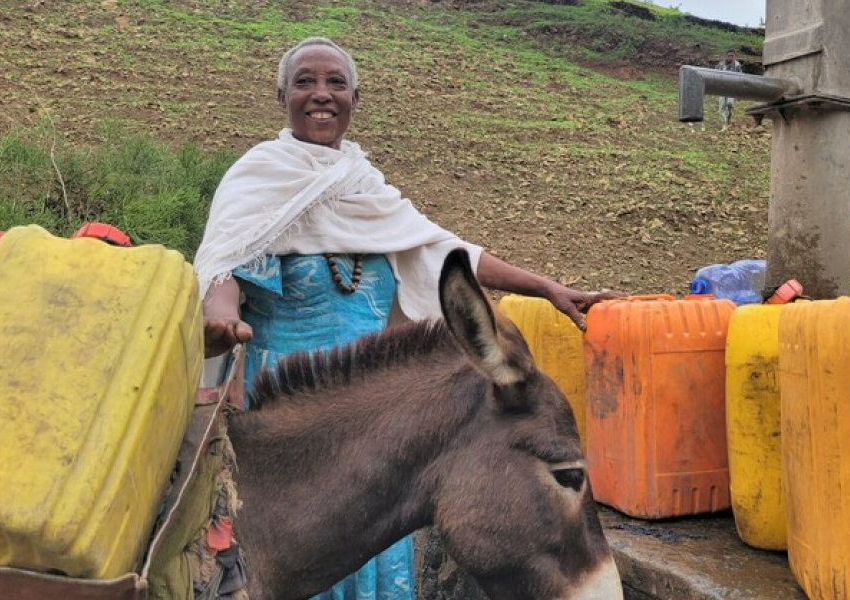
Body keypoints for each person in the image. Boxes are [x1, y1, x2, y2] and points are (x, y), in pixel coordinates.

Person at [193, 37, 621, 600]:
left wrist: (544, 287)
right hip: (290, 434)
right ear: (281, 96)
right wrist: (223, 318)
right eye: (305, 82)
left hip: (376, 440)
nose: (321, 95)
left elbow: (445, 253)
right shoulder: (257, 179)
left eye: (335, 83)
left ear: (354, 98)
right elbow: (221, 263)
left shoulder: (366, 189)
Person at [714, 50, 742, 130]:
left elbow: (741, 77)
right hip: (722, 87)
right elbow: (714, 74)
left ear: (735, 57)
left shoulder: (737, 65)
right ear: (726, 56)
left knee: (730, 104)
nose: (730, 57)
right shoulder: (721, 65)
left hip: (731, 88)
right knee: (722, 106)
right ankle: (724, 124)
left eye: (732, 56)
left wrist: (739, 90)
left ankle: (729, 120)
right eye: (728, 55)